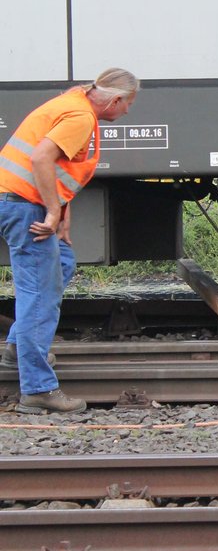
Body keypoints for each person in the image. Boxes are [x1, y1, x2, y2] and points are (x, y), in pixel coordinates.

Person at [0, 68, 140, 413]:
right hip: (24, 208)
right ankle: (38, 390)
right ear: (117, 100)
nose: (128, 113)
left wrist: (62, 213)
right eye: (129, 105)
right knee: (39, 297)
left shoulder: (74, 103)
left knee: (61, 263)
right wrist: (50, 211)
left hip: (19, 201)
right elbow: (41, 157)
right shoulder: (79, 117)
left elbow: (59, 167)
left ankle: (19, 347)